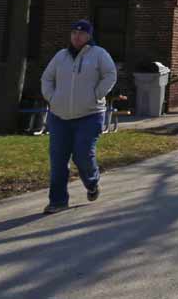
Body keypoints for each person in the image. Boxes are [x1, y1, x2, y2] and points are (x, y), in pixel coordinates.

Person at [40, 19, 117, 214]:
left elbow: (110, 75)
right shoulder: (61, 56)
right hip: (59, 116)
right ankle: (57, 201)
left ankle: (92, 182)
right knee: (58, 160)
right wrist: (52, 98)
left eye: (82, 33)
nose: (77, 36)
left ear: (89, 36)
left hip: (89, 115)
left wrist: (97, 95)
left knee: (83, 154)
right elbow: (47, 78)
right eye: (74, 32)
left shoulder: (99, 55)